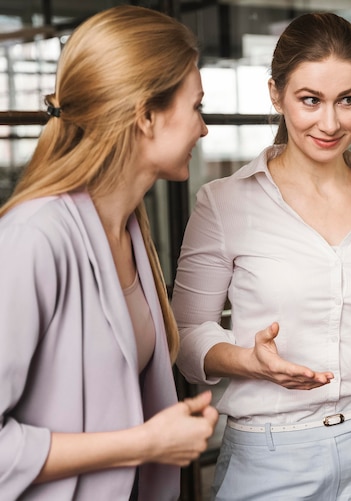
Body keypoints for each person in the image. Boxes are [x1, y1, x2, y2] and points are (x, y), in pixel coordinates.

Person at [172, 11, 351, 501]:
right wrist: (251, 362)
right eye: (310, 100)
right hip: (270, 458)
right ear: (276, 94)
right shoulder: (224, 202)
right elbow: (185, 336)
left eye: (348, 101)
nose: (330, 123)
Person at [0, 5, 219, 500]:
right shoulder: (33, 239)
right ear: (145, 115)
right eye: (197, 108)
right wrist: (142, 443)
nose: (203, 129)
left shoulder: (129, 230)